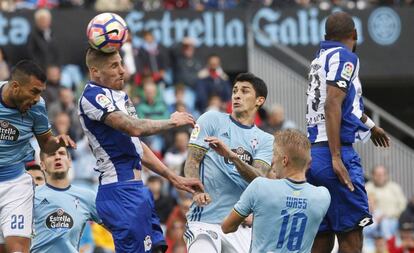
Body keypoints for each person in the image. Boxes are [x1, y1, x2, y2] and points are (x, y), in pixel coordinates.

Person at [78, 48, 203, 253]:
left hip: (137, 190)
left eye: (121, 63)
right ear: (95, 71)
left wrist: (174, 178)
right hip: (120, 191)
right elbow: (133, 127)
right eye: (114, 65)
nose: (122, 70)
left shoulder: (119, 96)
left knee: (157, 249)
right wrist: (171, 122)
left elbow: (137, 145)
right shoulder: (91, 96)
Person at [305, 12, 390, 253]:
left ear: (325, 37)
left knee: (321, 238)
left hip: (314, 155)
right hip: (336, 153)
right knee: (352, 239)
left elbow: (346, 107)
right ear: (354, 34)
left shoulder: (318, 60)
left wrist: (371, 126)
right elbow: (332, 104)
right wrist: (336, 156)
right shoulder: (345, 56)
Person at [184, 72, 274, 253]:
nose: (237, 95)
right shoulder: (211, 119)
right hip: (205, 220)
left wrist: (231, 156)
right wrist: (197, 191)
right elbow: (192, 161)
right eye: (235, 90)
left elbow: (259, 178)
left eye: (245, 91)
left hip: (239, 224)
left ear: (259, 100)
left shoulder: (265, 140)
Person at [0, 60, 75, 253]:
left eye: (41, 92)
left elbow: (46, 143)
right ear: (15, 86)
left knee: (17, 250)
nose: (37, 98)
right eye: (34, 91)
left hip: (14, 184)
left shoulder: (37, 106)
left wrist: (57, 142)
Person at [221, 129, 331, 252]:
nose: (272, 161)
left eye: (274, 154)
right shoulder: (323, 196)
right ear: (309, 163)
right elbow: (291, 211)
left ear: (284, 160)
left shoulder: (260, 186)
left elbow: (227, 227)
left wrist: (256, 216)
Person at [31, 147, 101, 252]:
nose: (57, 157)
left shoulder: (87, 197)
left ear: (69, 162)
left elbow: (117, 228)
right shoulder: (30, 197)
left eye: (62, 153)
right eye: (51, 154)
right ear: (42, 165)